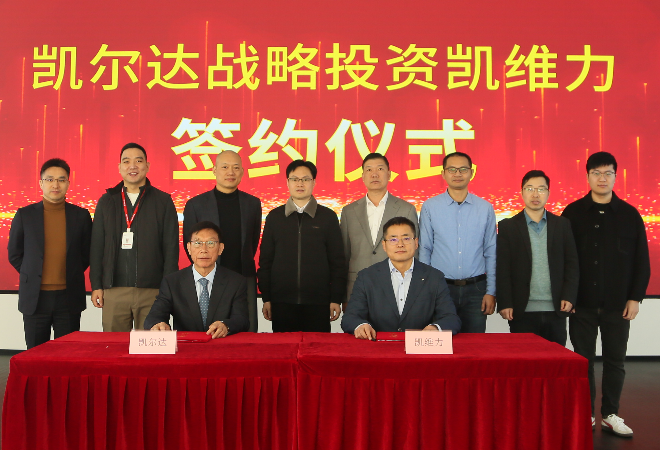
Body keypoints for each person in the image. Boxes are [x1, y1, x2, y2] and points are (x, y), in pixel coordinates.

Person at [562, 152, 650, 437]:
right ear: (587, 176)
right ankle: (586, 413)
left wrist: (635, 298)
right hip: (581, 305)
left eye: (608, 173)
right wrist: (567, 296)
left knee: (615, 361)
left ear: (615, 176)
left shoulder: (629, 214)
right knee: (583, 360)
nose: (602, 178)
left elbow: (642, 260)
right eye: (597, 173)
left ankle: (610, 414)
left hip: (617, 305)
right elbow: (563, 259)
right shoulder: (573, 213)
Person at [90, 143, 179, 332]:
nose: (133, 166)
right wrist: (96, 285)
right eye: (126, 161)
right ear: (119, 167)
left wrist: (168, 290)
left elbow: (171, 249)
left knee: (149, 345)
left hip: (153, 291)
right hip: (114, 290)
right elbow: (97, 246)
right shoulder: (107, 201)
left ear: (147, 166)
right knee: (114, 345)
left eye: (138, 161)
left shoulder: (163, 201)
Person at [7, 158, 92, 349]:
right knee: (36, 355)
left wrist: (69, 272)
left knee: (67, 355)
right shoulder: (25, 215)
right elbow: (14, 253)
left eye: (61, 180)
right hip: (35, 298)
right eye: (50, 179)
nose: (55, 185)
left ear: (68, 183)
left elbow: (86, 254)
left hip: (68, 297)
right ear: (41, 183)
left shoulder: (81, 216)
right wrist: (32, 273)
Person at [258, 160, 346, 332]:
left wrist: (336, 298)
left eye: (305, 179)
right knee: (284, 348)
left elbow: (337, 262)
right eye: (295, 179)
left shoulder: (328, 217)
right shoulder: (274, 217)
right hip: (281, 302)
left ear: (314, 182)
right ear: (287, 182)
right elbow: (265, 261)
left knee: (317, 347)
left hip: (318, 302)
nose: (300, 183)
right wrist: (266, 298)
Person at [341, 216, 461, 339]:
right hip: (379, 345)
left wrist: (435, 328)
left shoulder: (434, 277)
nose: (400, 244)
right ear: (384, 245)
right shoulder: (367, 277)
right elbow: (350, 317)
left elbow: (451, 318)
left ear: (416, 243)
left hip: (419, 347)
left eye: (406, 238)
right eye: (393, 239)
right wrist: (360, 325)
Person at [496, 170, 578, 345]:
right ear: (522, 192)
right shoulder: (508, 227)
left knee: (555, 360)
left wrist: (569, 296)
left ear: (548, 193)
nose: (535, 194)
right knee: (524, 360)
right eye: (530, 188)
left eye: (541, 189)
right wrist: (505, 302)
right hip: (521, 309)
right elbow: (502, 268)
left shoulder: (562, 224)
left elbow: (572, 264)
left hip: (556, 307)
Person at [183, 150, 261, 332]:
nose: (230, 172)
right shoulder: (196, 205)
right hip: (208, 279)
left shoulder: (253, 204)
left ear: (242, 172)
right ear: (214, 170)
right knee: (211, 332)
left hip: (244, 276)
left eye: (236, 168)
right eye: (225, 167)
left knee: (247, 333)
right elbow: (191, 246)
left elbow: (253, 241)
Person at [419, 151, 496, 333]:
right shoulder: (430, 207)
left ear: (471, 172)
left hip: (477, 290)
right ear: (443, 173)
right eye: (452, 169)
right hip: (441, 288)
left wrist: (491, 291)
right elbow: (425, 249)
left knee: (475, 345)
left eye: (463, 169)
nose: (458, 174)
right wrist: (425, 288)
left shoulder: (485, 208)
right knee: (441, 343)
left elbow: (491, 252)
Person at [340, 153, 418, 312]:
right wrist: (344, 296)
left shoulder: (406, 209)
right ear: (362, 176)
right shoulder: (349, 211)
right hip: (357, 288)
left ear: (389, 174)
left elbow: (414, 253)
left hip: (397, 287)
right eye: (369, 170)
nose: (374, 174)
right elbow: (344, 256)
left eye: (380, 169)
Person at [144, 221, 249, 337]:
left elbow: (242, 319)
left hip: (220, 343)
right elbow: (155, 315)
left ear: (220, 248)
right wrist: (158, 324)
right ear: (189, 248)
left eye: (210, 243)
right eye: (197, 243)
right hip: (186, 345)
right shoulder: (172, 282)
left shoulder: (236, 282)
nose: (203, 249)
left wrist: (226, 325)